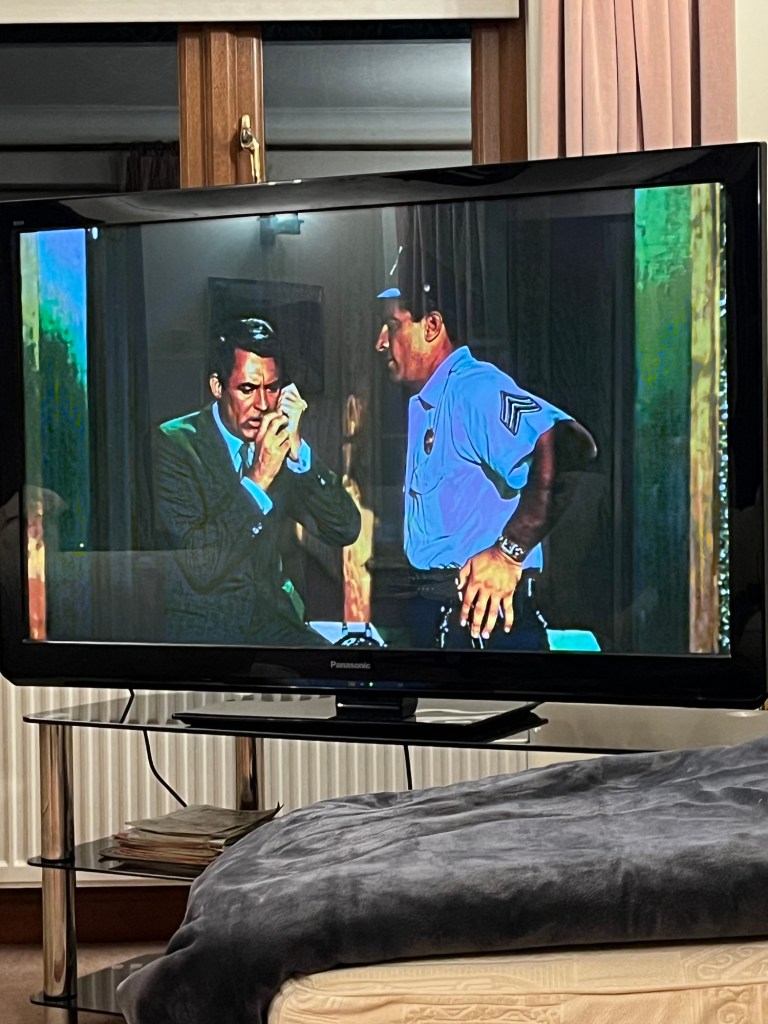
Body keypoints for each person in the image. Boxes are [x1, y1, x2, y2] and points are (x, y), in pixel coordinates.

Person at [375, 285, 597, 650]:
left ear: (431, 326)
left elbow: (570, 444)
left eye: (392, 325)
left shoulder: (473, 388)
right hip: (439, 613)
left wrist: (509, 551)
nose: (380, 342)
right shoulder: (431, 400)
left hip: (484, 622)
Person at [155, 317, 361, 646]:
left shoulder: (277, 443)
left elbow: (344, 528)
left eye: (272, 388)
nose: (263, 405)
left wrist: (298, 451)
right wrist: (259, 478)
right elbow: (201, 567)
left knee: (344, 670)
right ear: (217, 387)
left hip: (276, 626)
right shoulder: (175, 444)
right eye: (248, 389)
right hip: (207, 634)